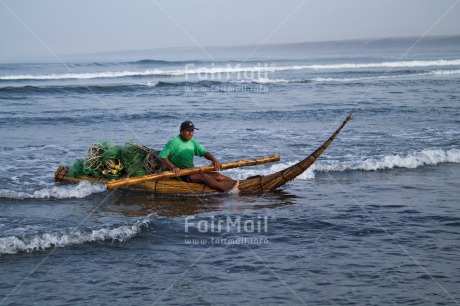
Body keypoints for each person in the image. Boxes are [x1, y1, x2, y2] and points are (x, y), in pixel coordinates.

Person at [158, 120, 239, 192]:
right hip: (181, 174)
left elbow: (204, 152)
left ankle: (239, 183)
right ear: (181, 131)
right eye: (188, 131)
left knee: (217, 175)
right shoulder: (174, 142)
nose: (191, 133)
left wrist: (214, 160)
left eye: (192, 131)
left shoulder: (192, 141)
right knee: (204, 176)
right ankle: (227, 191)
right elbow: (162, 156)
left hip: (191, 171)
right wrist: (173, 167)